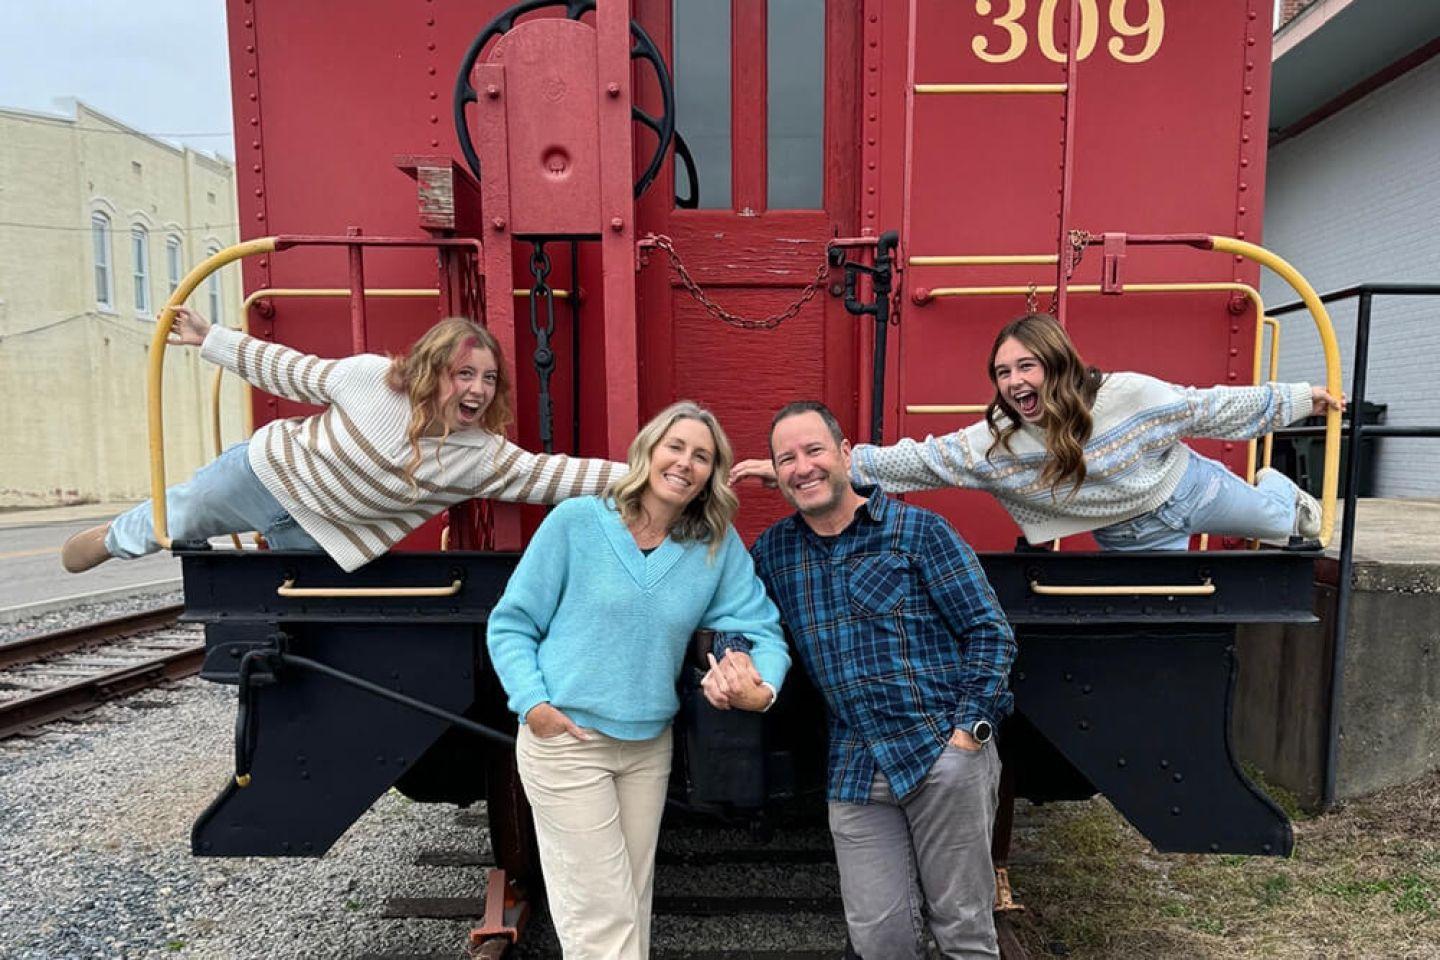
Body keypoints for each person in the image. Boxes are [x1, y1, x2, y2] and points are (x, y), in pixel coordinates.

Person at [486, 400, 790, 960]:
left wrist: (761, 686)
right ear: (647, 451)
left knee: (630, 903)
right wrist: (533, 704)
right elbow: (512, 623)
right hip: (567, 742)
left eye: (702, 456)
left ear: (711, 475)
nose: (685, 463)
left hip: (648, 747)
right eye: (675, 447)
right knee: (600, 919)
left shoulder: (713, 547)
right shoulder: (577, 522)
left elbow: (761, 628)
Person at [714, 400, 1016, 959]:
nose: (802, 467)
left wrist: (968, 733)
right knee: (879, 939)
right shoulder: (776, 552)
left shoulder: (919, 530)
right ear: (775, 473)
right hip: (856, 769)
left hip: (941, 754)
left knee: (964, 932)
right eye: (786, 459)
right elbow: (741, 619)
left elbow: (988, 631)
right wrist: (732, 661)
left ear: (846, 454)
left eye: (814, 450)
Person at [60, 306, 623, 574]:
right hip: (270, 474)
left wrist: (646, 476)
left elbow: (558, 475)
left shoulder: (483, 457)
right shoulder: (368, 378)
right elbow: (289, 369)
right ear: (432, 369)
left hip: (323, 535)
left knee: (292, 606)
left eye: (488, 378)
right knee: (182, 513)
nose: (477, 388)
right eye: (464, 373)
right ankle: (112, 538)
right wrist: (212, 338)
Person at [732, 312, 1344, 551]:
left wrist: (1297, 399)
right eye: (1002, 373)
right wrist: (799, 468)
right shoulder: (994, 448)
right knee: (1163, 610)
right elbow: (914, 462)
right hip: (1127, 533)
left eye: (1026, 365)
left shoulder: (1128, 395)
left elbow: (1205, 408)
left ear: (1056, 363)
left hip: (1187, 489)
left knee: (1292, 529)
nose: (1015, 380)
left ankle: (1280, 493)